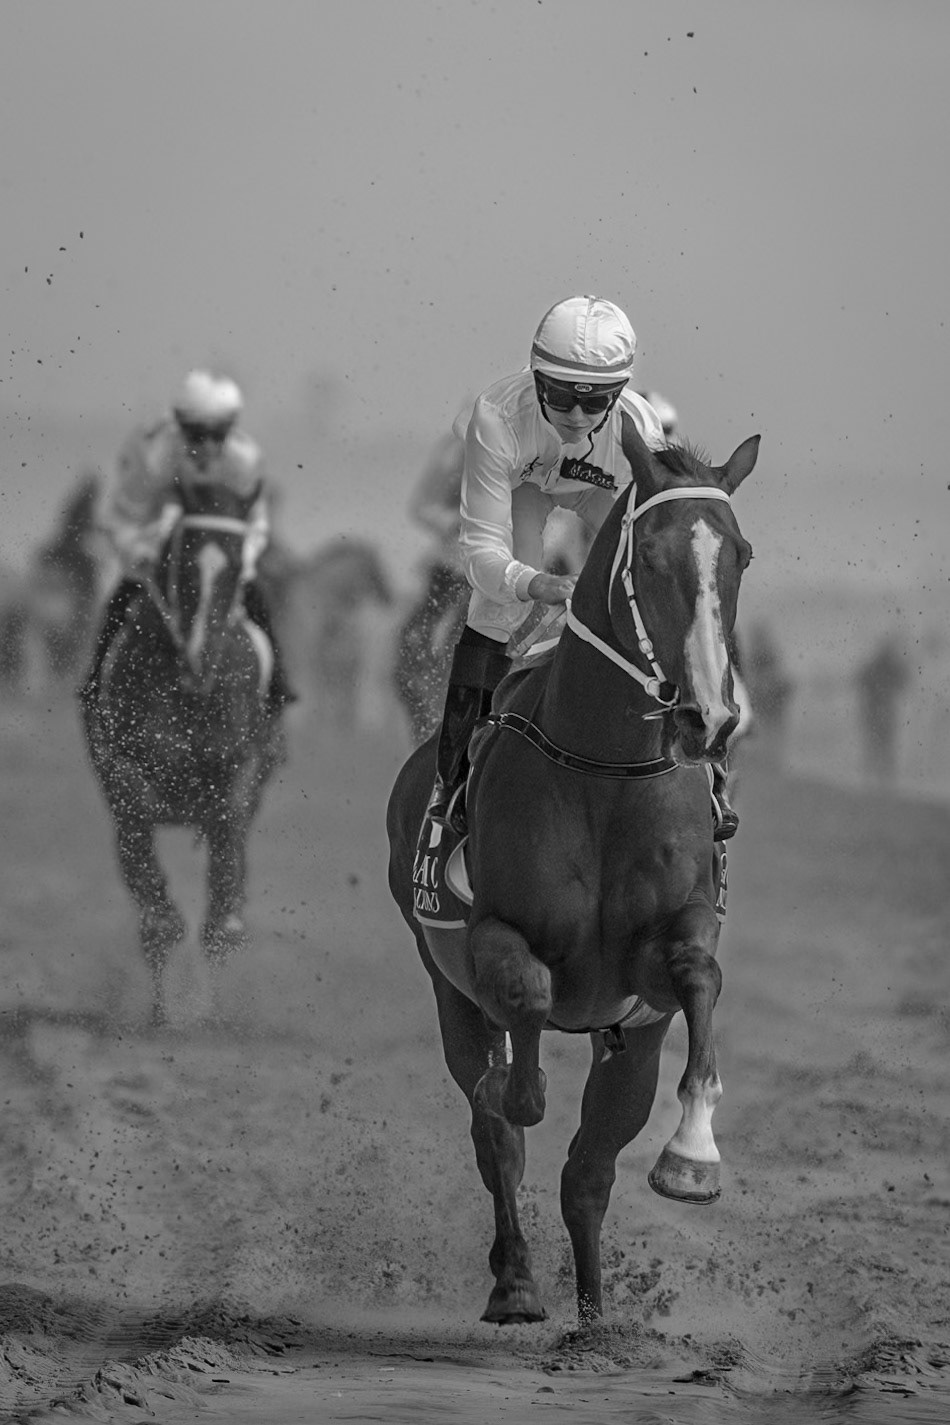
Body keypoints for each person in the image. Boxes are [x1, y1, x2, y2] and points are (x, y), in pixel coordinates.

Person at [425, 294, 739, 839]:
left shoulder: (638, 425)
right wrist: (537, 582)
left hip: (602, 493)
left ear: (620, 395)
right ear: (536, 378)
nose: (575, 415)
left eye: (595, 403)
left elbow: (655, 540)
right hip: (523, 489)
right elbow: (480, 553)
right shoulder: (496, 418)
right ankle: (452, 784)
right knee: (495, 610)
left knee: (662, 599)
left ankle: (709, 774)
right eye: (561, 395)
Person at [79, 369, 294, 711]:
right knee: (119, 602)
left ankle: (275, 695)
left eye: (218, 435)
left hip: (221, 556)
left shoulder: (244, 458)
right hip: (156, 556)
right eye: (197, 436)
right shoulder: (152, 454)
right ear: (180, 426)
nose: (208, 446)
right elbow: (123, 515)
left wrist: (243, 561)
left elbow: (256, 524)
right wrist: (140, 549)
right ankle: (96, 686)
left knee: (259, 603)